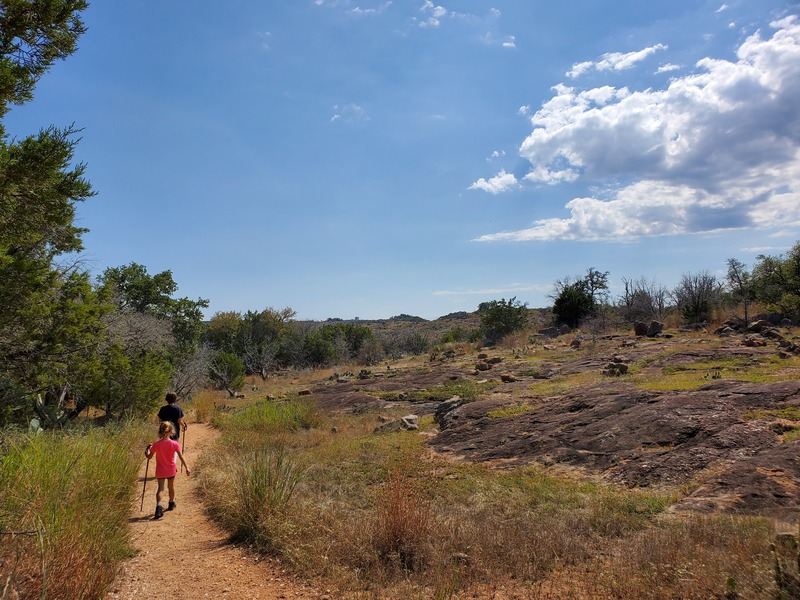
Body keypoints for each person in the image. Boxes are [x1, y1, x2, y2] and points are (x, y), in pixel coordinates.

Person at [144, 421, 190, 519]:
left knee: (160, 488)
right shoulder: (175, 444)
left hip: (160, 470)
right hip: (171, 470)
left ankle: (159, 507)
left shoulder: (156, 445)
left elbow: (149, 457)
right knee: (171, 487)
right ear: (171, 431)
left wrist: (147, 450)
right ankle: (171, 503)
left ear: (160, 432)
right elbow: (181, 457)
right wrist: (186, 467)